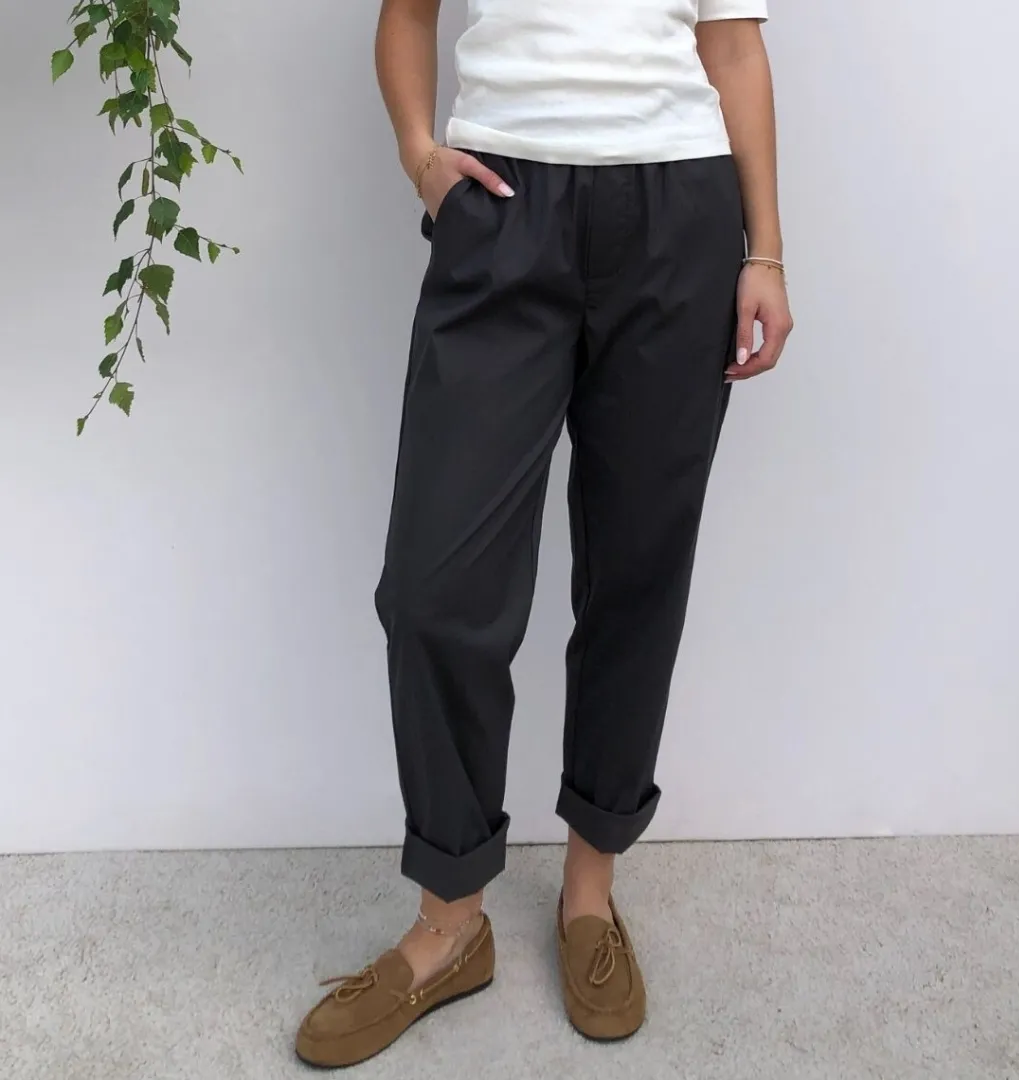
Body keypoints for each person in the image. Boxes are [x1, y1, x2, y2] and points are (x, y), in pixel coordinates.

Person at [296, 0, 792, 1065]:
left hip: (679, 210)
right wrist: (421, 157)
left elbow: (734, 46)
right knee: (433, 589)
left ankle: (589, 895)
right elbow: (406, 14)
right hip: (502, 205)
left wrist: (768, 254)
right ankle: (450, 922)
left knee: (636, 570)